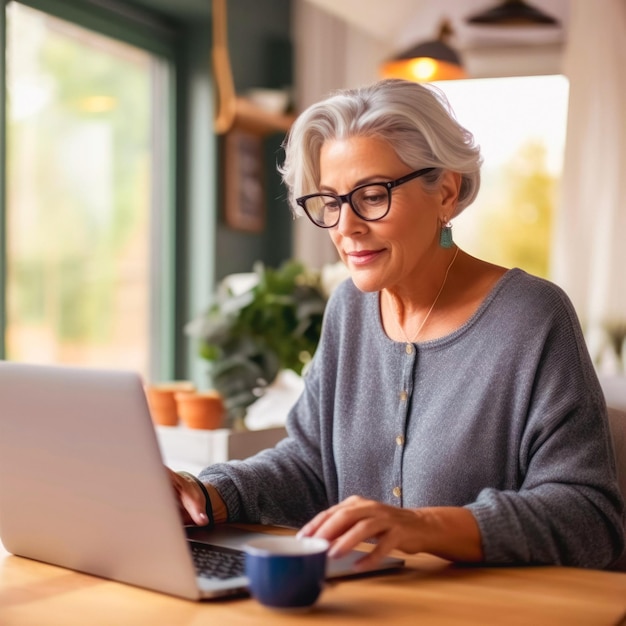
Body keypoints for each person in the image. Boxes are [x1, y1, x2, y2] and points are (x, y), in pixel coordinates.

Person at [170, 78, 625, 569]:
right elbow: (309, 464)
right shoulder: (348, 309)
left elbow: (590, 518)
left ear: (446, 193)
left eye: (371, 195)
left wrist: (424, 527)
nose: (345, 227)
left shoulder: (533, 318)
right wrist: (207, 493)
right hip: (364, 604)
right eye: (331, 201)